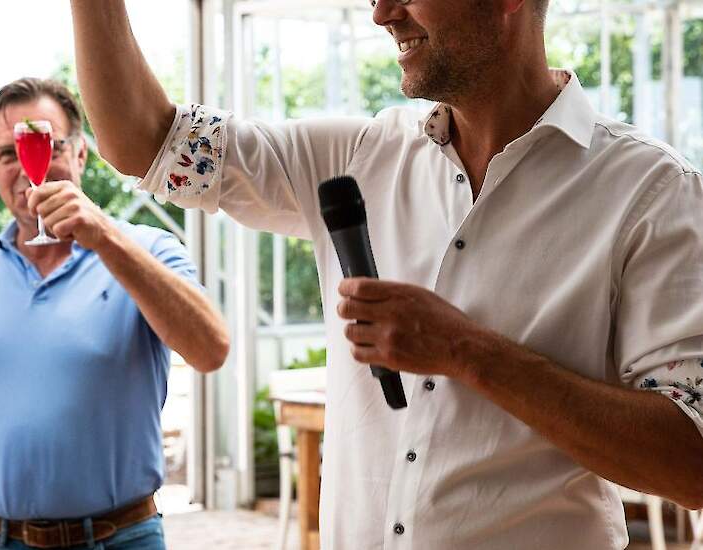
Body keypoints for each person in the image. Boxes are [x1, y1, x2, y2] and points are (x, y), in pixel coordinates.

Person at [68, 2, 703, 548]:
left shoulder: (649, 192)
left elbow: (691, 462)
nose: (381, 12)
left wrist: (466, 351)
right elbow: (148, 142)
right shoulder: (356, 155)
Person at [0, 77, 229, 550]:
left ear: (80, 154)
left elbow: (211, 349)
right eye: (6, 153)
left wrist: (101, 234)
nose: (25, 165)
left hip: (117, 538)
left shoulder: (147, 249)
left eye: (46, 144)